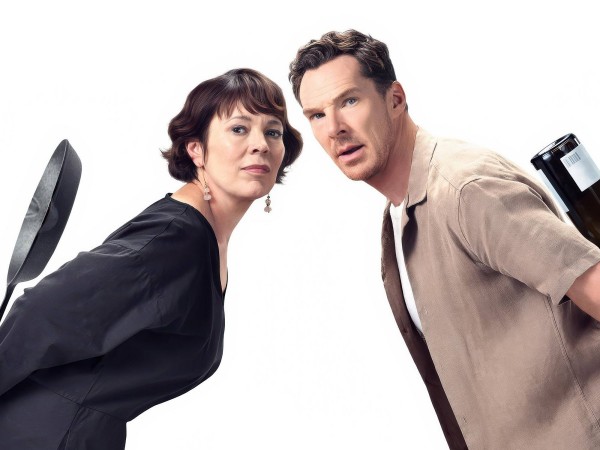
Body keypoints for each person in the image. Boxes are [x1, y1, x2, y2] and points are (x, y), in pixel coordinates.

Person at [288, 29, 600, 449]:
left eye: (349, 101)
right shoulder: (399, 217)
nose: (334, 129)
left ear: (395, 99)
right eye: (316, 115)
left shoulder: (466, 189)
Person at [0, 68, 302, 449]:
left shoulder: (202, 239)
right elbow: (41, 309)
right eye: (239, 129)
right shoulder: (175, 241)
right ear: (196, 149)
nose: (260, 144)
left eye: (273, 132)